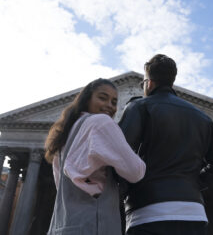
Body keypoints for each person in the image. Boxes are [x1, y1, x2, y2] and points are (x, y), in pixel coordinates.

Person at [118, 54, 213, 235]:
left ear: (149, 83)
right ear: (172, 81)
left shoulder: (139, 107)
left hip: (148, 210)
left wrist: (126, 190)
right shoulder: (203, 118)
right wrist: (192, 183)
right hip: (194, 212)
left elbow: (117, 155)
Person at [45, 78, 146, 235]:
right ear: (87, 99)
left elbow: (62, 185)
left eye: (114, 102)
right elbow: (136, 172)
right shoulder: (101, 122)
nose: (110, 106)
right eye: (102, 98)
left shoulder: (65, 135)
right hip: (94, 224)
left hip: (63, 226)